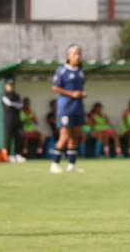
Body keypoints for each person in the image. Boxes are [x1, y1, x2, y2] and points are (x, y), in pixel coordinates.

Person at [51, 44, 88, 173]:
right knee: (65, 136)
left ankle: (71, 164)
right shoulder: (62, 70)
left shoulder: (80, 71)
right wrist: (71, 94)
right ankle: (55, 164)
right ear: (68, 56)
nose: (77, 56)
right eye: (75, 54)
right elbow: (55, 87)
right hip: (65, 109)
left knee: (74, 137)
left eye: (79, 54)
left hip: (78, 108)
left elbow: (81, 88)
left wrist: (82, 94)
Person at [1, 79, 25, 162]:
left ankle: (18, 154)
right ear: (5, 86)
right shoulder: (4, 95)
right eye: (9, 85)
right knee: (8, 137)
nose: (10, 87)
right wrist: (15, 104)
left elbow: (21, 105)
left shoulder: (16, 95)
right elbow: (9, 103)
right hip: (9, 119)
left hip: (17, 119)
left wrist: (14, 104)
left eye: (11, 85)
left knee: (20, 136)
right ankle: (8, 155)